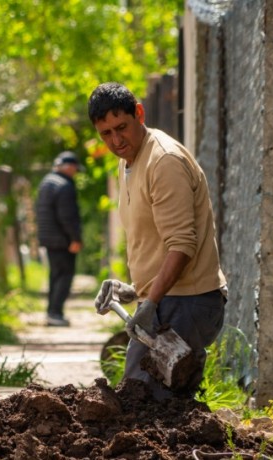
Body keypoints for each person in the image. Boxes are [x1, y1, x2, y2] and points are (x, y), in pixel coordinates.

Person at [88, 82, 226, 400]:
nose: (116, 140)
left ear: (139, 113)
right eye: (106, 133)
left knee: (145, 404)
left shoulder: (163, 162)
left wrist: (150, 302)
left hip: (186, 303)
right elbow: (154, 240)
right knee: (150, 409)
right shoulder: (130, 160)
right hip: (167, 299)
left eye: (121, 127)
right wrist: (135, 290)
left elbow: (181, 246)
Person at [35, 150, 83, 327]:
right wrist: (75, 238)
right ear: (69, 167)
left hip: (48, 238)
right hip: (63, 240)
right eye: (75, 169)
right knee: (65, 276)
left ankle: (51, 312)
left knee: (55, 276)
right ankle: (55, 313)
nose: (76, 173)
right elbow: (67, 216)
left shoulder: (46, 182)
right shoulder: (65, 186)